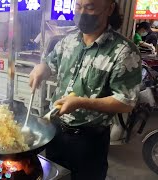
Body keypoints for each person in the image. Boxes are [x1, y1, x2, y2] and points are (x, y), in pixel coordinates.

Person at [29, 0, 141, 179]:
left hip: (89, 142)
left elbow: (126, 102)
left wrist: (82, 102)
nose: (82, 13)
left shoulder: (124, 51)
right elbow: (51, 63)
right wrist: (42, 68)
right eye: (78, 7)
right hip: (55, 132)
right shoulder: (69, 40)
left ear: (109, 8)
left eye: (89, 7)